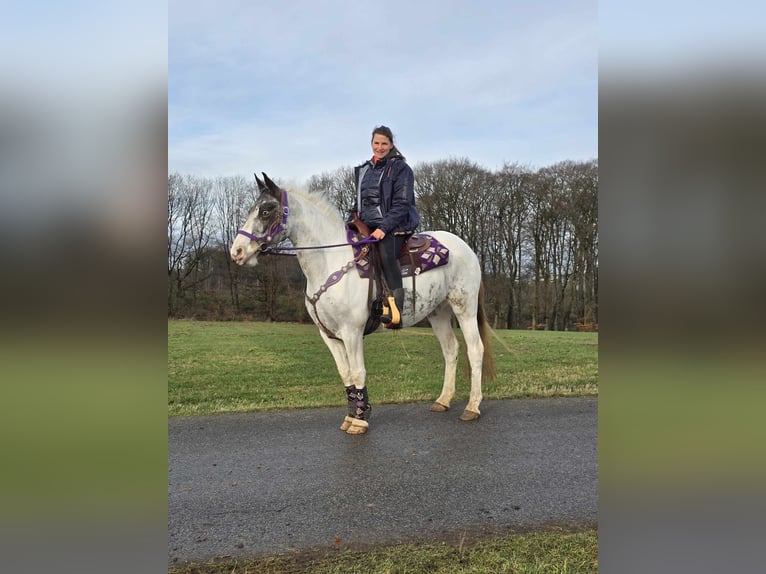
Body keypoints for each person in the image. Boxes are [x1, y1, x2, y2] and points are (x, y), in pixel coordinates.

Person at [351, 125, 420, 328]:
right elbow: (360, 200)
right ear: (371, 144)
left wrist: (383, 227)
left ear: (391, 145)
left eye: (384, 143)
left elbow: (402, 203)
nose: (379, 147)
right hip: (366, 224)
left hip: (394, 224)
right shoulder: (363, 170)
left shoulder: (401, 169)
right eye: (376, 143)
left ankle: (396, 310)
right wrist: (353, 218)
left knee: (386, 254)